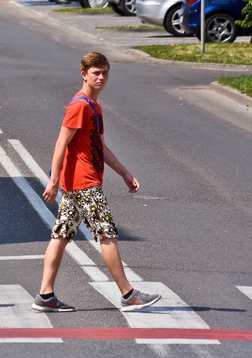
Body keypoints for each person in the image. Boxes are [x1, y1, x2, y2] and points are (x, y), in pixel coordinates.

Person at [32, 52, 162, 313]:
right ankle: (128, 294)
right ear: (84, 75)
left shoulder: (93, 106)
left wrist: (124, 173)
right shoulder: (79, 106)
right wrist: (54, 180)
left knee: (61, 235)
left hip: (79, 185)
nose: (101, 77)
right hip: (84, 184)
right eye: (96, 73)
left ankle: (45, 295)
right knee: (107, 235)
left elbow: (100, 147)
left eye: (104, 72)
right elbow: (61, 143)